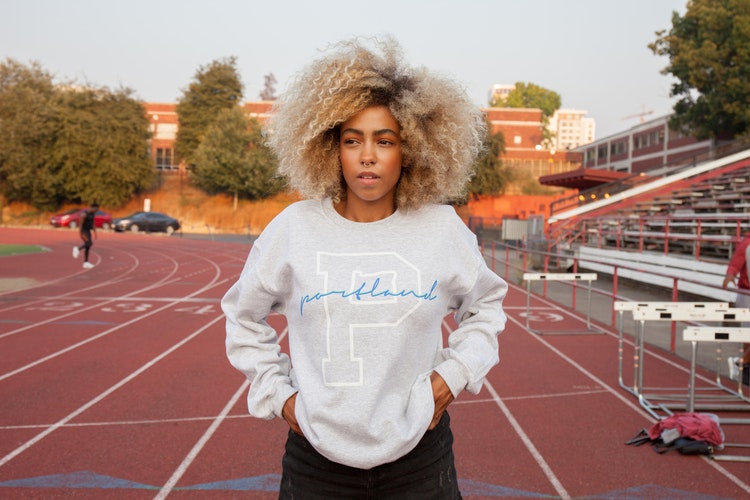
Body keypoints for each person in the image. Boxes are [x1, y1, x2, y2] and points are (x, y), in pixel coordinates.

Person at [221, 37, 508, 499]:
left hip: (420, 459)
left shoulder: (441, 229)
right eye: (352, 140)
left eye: (385, 140)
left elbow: (487, 308)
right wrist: (279, 395)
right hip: (316, 464)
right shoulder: (294, 229)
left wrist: (453, 377)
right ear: (331, 149)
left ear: (411, 149)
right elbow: (243, 315)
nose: (368, 155)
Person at [721, 231, 750, 384]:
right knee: (748, 337)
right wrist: (730, 275)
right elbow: (735, 263)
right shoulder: (747, 243)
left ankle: (741, 362)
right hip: (747, 295)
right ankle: (743, 367)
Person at [72, 202, 98, 269]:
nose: (96, 211)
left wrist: (95, 232)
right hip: (83, 231)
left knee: (88, 246)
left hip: (88, 230)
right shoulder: (84, 214)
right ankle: (77, 249)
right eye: (96, 209)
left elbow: (93, 223)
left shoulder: (92, 214)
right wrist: (80, 234)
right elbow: (80, 225)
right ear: (93, 208)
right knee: (89, 243)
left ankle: (86, 262)